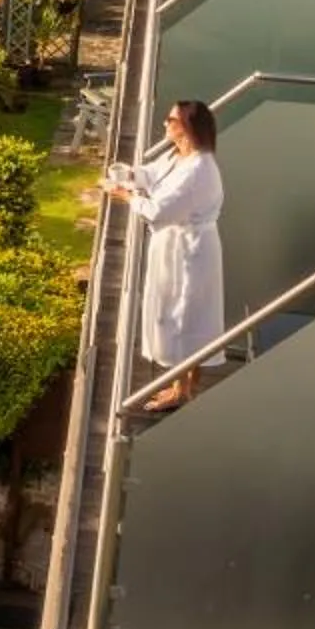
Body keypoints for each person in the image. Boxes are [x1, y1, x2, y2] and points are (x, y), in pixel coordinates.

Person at [107, 99, 226, 408]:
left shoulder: (198, 170)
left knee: (185, 318)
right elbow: (152, 173)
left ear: (185, 127)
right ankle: (180, 385)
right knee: (177, 316)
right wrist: (129, 176)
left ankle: (181, 390)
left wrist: (127, 195)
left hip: (189, 252)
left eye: (170, 120)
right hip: (175, 248)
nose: (164, 124)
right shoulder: (178, 156)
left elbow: (159, 212)